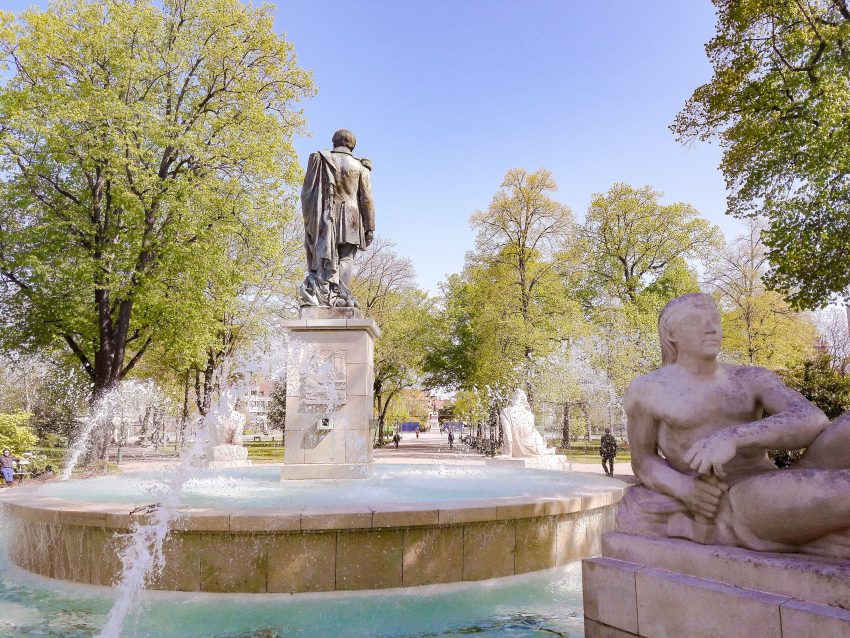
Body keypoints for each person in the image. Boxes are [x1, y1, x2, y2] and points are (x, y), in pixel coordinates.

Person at [618, 292, 850, 558]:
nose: (711, 327)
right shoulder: (648, 390)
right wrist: (686, 489)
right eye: (696, 320)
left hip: (775, 478)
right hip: (737, 497)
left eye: (715, 319)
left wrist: (734, 437)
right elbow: (643, 459)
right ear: (671, 333)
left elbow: (812, 419)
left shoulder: (750, 377)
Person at [299, 129, 375, 308]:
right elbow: (367, 198)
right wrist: (370, 226)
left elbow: (306, 193)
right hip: (352, 217)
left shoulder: (319, 158)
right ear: (352, 145)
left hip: (324, 215)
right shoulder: (360, 167)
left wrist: (309, 219)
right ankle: (339, 295)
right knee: (346, 257)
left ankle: (326, 294)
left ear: (334, 142)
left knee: (325, 257)